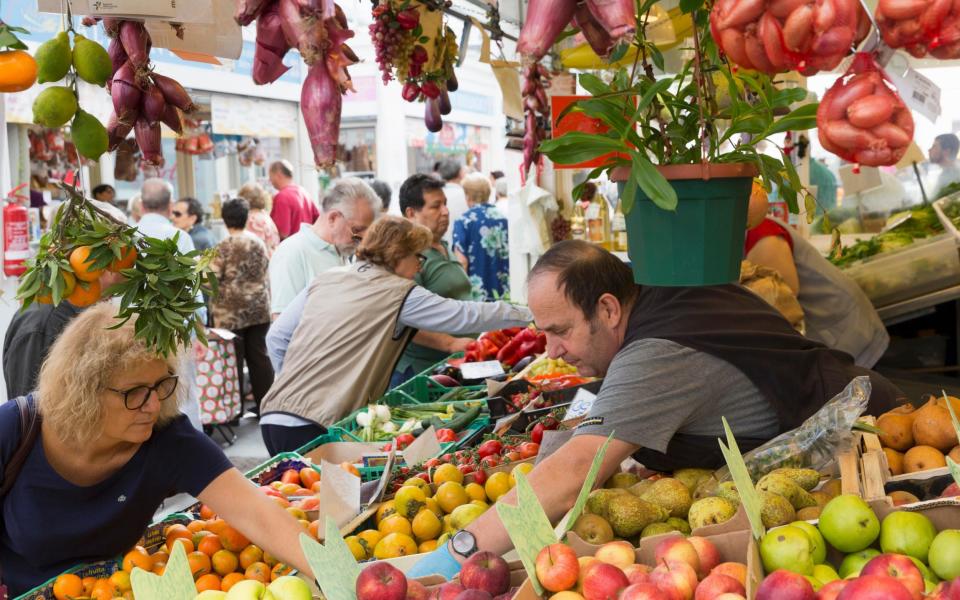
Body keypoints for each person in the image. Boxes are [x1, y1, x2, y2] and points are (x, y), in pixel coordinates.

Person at [407, 241, 905, 580]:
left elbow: (578, 469)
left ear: (607, 309)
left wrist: (457, 556)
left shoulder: (656, 353)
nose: (552, 351)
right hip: (848, 425)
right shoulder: (663, 290)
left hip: (877, 450)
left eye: (560, 330)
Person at [0, 304, 313, 596]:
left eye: (161, 385)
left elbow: (256, 513)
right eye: (134, 392)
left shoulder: (168, 439)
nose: (153, 405)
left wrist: (330, 571)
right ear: (85, 391)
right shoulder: (15, 430)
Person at [260, 216, 532, 454]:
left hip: (274, 416)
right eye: (418, 257)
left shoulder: (327, 278)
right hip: (318, 426)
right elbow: (464, 315)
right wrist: (531, 314)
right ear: (398, 254)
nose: (420, 266)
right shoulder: (399, 292)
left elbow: (277, 338)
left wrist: (295, 387)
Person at [745, 188, 889, 367]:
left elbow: (780, 299)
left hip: (842, 330)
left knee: (861, 389)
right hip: (832, 328)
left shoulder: (762, 234)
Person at [392, 174, 475, 388]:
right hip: (424, 375)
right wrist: (451, 343)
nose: (446, 212)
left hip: (453, 366)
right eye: (436, 206)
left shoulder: (442, 246)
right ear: (411, 213)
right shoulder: (409, 256)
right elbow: (403, 317)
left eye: (445, 204)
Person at [136, 178, 202, 429]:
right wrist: (198, 330)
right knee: (183, 389)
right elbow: (192, 289)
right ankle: (191, 450)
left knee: (141, 389)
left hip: (134, 327)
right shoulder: (179, 237)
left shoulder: (127, 235)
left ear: (141, 205)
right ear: (170, 204)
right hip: (176, 328)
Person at [268, 178, 379, 317]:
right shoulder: (292, 253)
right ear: (333, 218)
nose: (362, 239)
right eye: (356, 229)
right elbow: (282, 328)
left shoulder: (341, 248)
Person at [210, 198, 274, 414]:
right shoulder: (257, 242)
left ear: (225, 219)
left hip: (231, 311)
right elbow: (265, 270)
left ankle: (233, 411)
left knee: (233, 361)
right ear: (246, 218)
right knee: (259, 358)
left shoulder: (224, 246)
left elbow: (212, 277)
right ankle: (265, 406)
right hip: (258, 306)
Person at [452, 173, 509, 300]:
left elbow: (462, 261)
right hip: (504, 289)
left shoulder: (463, 221)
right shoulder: (503, 218)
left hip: (477, 293)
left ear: (467, 195)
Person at [268, 160, 319, 239]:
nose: (270, 181)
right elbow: (318, 221)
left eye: (271, 176)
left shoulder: (282, 197)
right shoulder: (304, 192)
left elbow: (282, 232)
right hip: (307, 245)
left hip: (290, 248)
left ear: (279, 175)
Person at [238, 182, 281, 257]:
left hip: (262, 263)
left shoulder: (251, 219)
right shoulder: (265, 215)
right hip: (273, 258)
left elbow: (253, 248)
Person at [437, 159, 467, 244]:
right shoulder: (467, 195)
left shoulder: (436, 195)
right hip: (462, 247)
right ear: (460, 174)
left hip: (442, 245)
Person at [930, 133, 960, 198]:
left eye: (934, 146)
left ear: (946, 151)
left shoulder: (956, 175)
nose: (929, 150)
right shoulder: (945, 173)